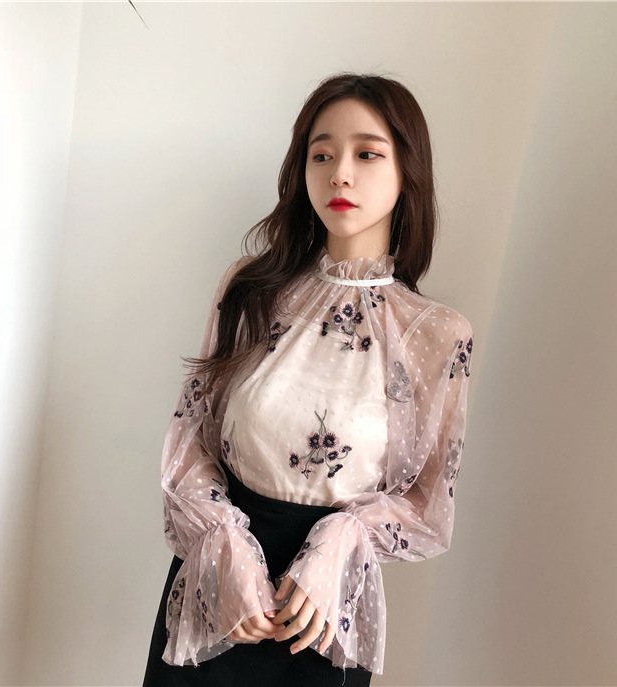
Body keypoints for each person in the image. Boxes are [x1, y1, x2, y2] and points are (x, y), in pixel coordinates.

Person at [142, 72, 474, 687]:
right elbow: (190, 438)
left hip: (321, 610)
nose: (339, 174)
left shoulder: (436, 334)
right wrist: (224, 543)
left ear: (408, 172)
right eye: (321, 155)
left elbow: (427, 505)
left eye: (367, 154)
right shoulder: (250, 290)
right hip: (219, 576)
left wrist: (342, 539)